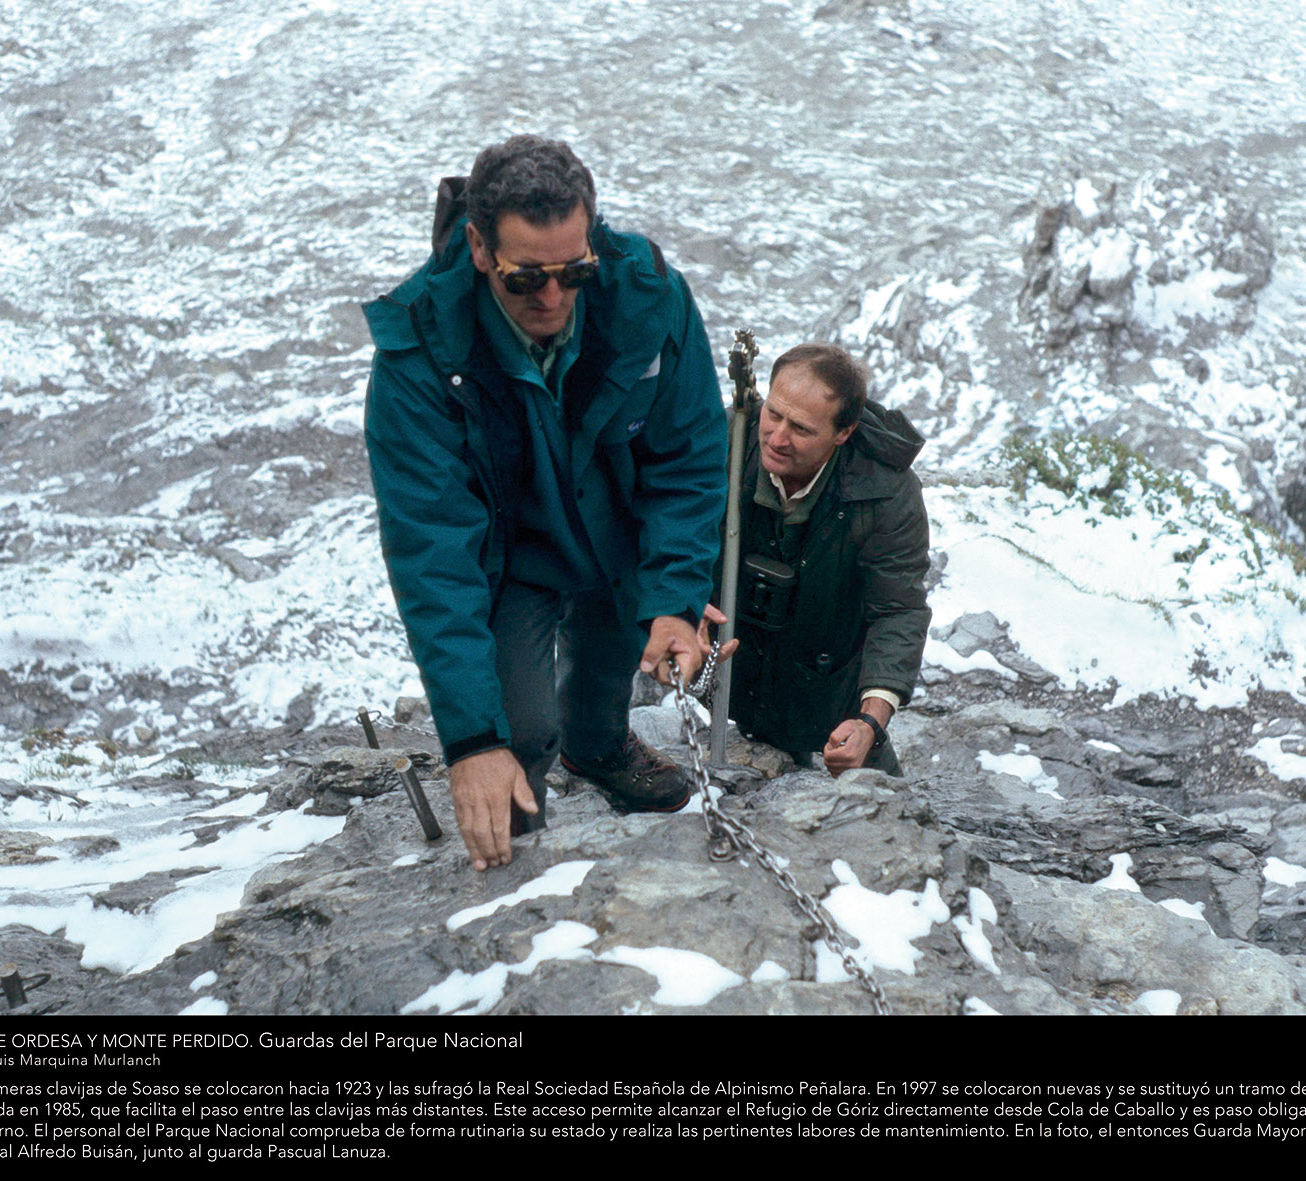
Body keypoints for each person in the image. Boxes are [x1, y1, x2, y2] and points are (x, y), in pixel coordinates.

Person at [362, 136, 728, 872]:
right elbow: (433, 549)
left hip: (618, 531)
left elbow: (688, 458)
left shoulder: (648, 297)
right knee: (518, 730)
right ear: (477, 245)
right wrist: (471, 742)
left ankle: (596, 748)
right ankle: (517, 866)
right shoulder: (422, 349)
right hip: (516, 552)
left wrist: (673, 597)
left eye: (575, 271)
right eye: (527, 279)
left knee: (604, 673)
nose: (554, 299)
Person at [717, 343, 931, 776]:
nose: (777, 438)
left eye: (800, 428)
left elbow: (898, 610)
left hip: (833, 679)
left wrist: (869, 721)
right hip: (737, 664)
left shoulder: (887, 492)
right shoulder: (727, 441)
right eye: (773, 414)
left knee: (879, 795)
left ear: (843, 432)